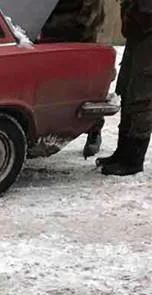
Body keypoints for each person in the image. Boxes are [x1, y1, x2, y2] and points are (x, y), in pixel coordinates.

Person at [41, 0, 107, 157]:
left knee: (87, 89)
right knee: (50, 88)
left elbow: (91, 15)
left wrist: (52, 26)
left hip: (77, 37)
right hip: (49, 34)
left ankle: (94, 130)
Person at [98, 0, 152, 175]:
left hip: (148, 32)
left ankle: (133, 160)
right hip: (139, 30)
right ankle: (123, 152)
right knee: (127, 90)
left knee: (141, 96)